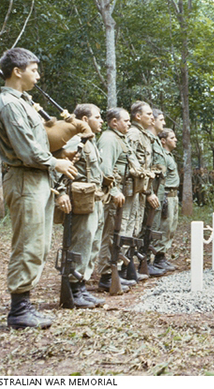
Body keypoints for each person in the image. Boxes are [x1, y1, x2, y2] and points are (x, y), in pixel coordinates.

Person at [0, 48, 77, 328]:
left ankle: (25, 304)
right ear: (17, 71)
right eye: (34, 69)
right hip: (25, 178)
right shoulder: (9, 104)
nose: (38, 75)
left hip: (37, 179)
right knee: (27, 244)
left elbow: (38, 141)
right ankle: (18, 311)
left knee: (39, 245)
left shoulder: (24, 101)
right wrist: (56, 163)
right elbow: (28, 151)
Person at [54, 103, 107, 308]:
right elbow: (59, 167)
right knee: (80, 243)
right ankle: (73, 288)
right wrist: (60, 193)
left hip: (93, 199)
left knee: (91, 243)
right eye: (97, 117)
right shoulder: (76, 140)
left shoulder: (91, 141)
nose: (101, 120)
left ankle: (81, 286)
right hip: (79, 200)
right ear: (84, 120)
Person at [96, 107, 140, 292]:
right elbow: (105, 168)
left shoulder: (119, 138)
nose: (129, 124)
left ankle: (117, 271)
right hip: (114, 195)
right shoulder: (108, 139)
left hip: (123, 193)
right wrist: (113, 191)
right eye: (126, 120)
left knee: (119, 233)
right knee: (110, 234)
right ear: (114, 122)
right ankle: (106, 275)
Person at [127, 101, 164, 277]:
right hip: (133, 190)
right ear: (137, 116)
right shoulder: (134, 134)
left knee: (134, 229)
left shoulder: (143, 135)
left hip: (140, 190)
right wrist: (147, 191)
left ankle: (128, 267)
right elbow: (130, 164)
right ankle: (123, 269)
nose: (152, 117)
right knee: (128, 229)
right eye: (148, 114)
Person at [147, 110, 175, 272]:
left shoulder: (156, 143)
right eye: (161, 119)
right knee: (151, 228)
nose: (163, 123)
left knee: (163, 227)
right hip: (153, 193)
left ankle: (156, 259)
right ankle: (150, 260)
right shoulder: (148, 140)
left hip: (160, 192)